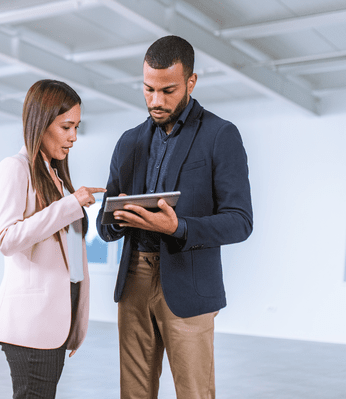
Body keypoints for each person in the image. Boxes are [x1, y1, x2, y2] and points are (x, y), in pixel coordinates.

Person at [95, 36, 253, 399]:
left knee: (194, 393)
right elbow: (106, 225)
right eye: (148, 89)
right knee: (133, 394)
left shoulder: (220, 135)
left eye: (168, 90)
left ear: (191, 83)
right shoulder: (129, 141)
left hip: (188, 285)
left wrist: (178, 227)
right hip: (133, 280)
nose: (156, 100)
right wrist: (120, 219)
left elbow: (240, 221)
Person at [0, 79, 105, 398]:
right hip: (30, 324)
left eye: (77, 127)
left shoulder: (54, 176)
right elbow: (7, 239)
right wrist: (70, 204)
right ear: (41, 123)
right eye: (67, 126)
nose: (74, 137)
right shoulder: (14, 168)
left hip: (55, 320)